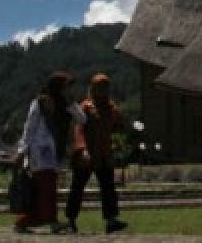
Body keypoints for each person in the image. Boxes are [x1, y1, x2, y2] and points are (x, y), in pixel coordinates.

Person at [13, 71, 86, 234]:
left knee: (46, 189)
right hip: (39, 153)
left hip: (53, 153)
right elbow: (29, 128)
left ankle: (25, 221)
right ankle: (50, 221)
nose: (68, 90)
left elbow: (82, 119)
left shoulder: (66, 104)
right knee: (46, 189)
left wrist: (71, 103)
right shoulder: (39, 102)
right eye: (66, 86)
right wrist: (22, 151)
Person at [66, 73, 129, 234]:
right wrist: (83, 149)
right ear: (93, 88)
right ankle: (71, 219)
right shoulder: (86, 107)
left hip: (104, 153)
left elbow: (118, 125)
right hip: (87, 154)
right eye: (100, 87)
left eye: (105, 87)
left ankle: (111, 220)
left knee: (108, 187)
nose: (103, 90)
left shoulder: (111, 107)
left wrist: (121, 125)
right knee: (78, 187)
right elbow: (79, 129)